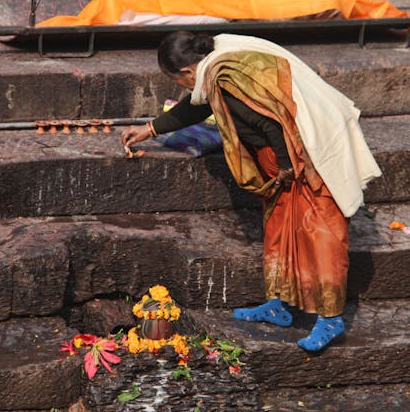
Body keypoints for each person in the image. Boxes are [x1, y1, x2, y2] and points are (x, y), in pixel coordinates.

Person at [121, 31, 381, 351]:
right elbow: (198, 106)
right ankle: (282, 306)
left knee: (321, 233)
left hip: (307, 155)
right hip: (286, 154)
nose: (184, 87)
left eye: (179, 81)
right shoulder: (220, 53)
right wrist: (150, 129)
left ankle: (331, 319)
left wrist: (288, 168)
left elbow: (269, 122)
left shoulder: (227, 78)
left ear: (188, 72)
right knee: (282, 230)